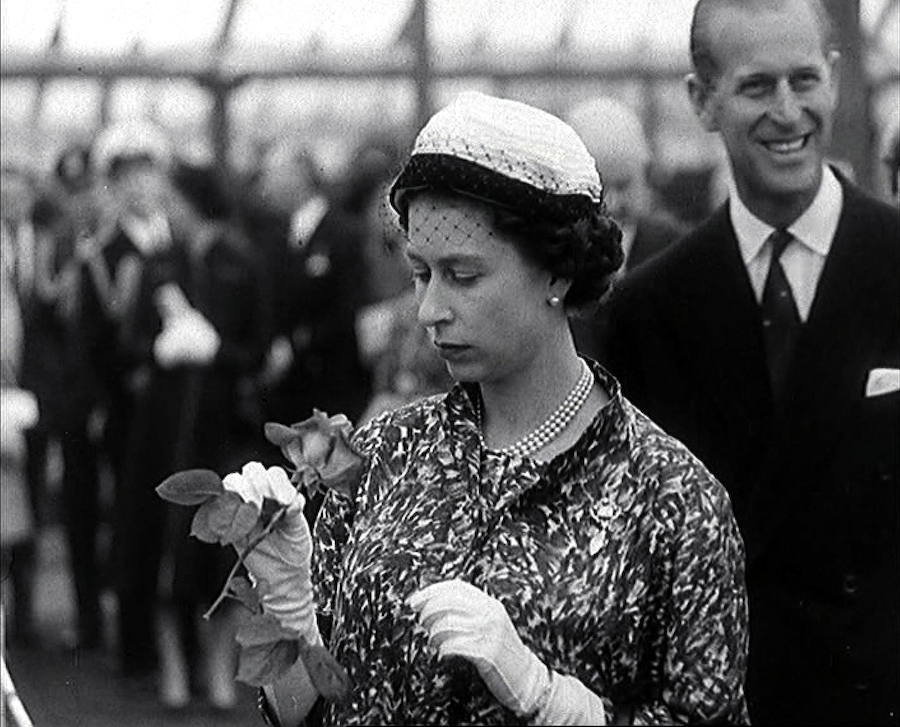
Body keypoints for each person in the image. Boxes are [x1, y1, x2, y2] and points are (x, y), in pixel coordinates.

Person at [224, 92, 749, 726]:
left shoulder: (670, 499)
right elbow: (292, 714)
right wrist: (293, 615)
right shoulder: (381, 458)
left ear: (556, 272)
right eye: (420, 274)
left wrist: (551, 700)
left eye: (463, 275)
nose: (429, 310)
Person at [600, 1, 900, 723]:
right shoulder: (649, 309)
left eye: (805, 80)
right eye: (758, 87)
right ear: (702, 100)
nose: (789, 112)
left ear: (834, 79)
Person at [563, 96, 685, 360]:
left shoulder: (679, 252)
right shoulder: (552, 260)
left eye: (624, 185)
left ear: (645, 174)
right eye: (601, 189)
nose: (613, 204)